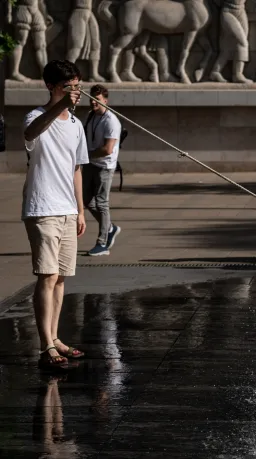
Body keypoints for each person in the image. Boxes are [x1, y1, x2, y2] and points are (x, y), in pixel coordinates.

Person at [22, 59, 89, 370]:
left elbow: (76, 168)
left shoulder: (76, 125)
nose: (74, 92)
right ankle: (45, 344)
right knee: (47, 276)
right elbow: (31, 133)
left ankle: (56, 337)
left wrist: (79, 210)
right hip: (42, 207)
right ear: (50, 86)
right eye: (67, 87)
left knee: (61, 278)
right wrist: (59, 105)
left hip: (66, 209)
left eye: (76, 86)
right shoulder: (36, 116)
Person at [82, 84, 122, 256]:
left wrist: (87, 155)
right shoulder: (90, 116)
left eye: (97, 100)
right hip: (91, 163)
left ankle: (103, 243)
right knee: (86, 200)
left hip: (104, 166)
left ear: (105, 101)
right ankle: (110, 227)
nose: (93, 103)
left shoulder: (111, 121)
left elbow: (107, 149)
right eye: (91, 99)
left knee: (102, 203)